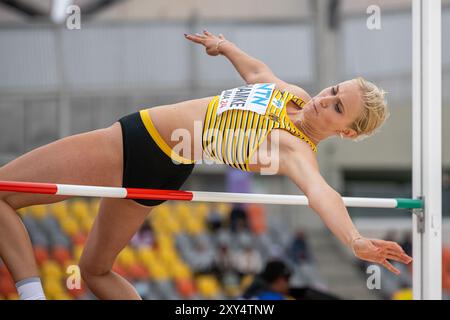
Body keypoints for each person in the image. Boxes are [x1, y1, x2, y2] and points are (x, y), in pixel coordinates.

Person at [0, 30, 412, 300]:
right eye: (334, 90)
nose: (324, 99)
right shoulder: (296, 96)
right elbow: (259, 73)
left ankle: (32, 294)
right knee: (95, 270)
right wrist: (226, 47)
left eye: (337, 107)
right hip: (166, 168)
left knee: (2, 190)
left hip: (139, 142)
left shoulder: (295, 149)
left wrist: (354, 239)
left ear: (348, 132)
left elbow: (321, 192)